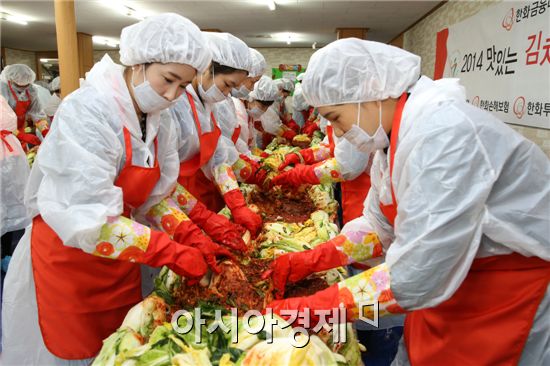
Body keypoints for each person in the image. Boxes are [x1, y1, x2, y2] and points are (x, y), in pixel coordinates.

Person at [266, 38, 550, 365]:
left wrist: (317, 307)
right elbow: (378, 225)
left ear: (370, 94)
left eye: (336, 117)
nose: (338, 133)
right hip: (448, 287)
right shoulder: (394, 138)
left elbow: (416, 275)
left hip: (505, 295)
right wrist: (311, 260)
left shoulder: (443, 133)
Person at [1, 13, 234, 365]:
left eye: (183, 86)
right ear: (138, 63)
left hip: (121, 256)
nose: (172, 95)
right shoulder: (89, 111)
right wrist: (168, 250)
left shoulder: (159, 117)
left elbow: (156, 194)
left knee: (119, 350)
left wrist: (191, 229)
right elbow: (86, 216)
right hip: (70, 263)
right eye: (168, 79)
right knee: (72, 350)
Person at [169, 32, 264, 238]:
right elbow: (161, 179)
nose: (229, 93)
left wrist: (236, 203)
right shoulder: (175, 104)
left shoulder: (208, 105)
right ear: (206, 67)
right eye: (228, 84)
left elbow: (219, 157)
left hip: (200, 193)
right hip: (174, 202)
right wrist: (204, 217)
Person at [0, 64, 49, 140]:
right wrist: (20, 135)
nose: (23, 88)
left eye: (26, 85)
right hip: (3, 134)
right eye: (19, 85)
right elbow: (2, 120)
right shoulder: (2, 90)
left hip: (20, 129)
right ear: (11, 80)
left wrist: (45, 131)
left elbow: (37, 113)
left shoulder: (31, 90)